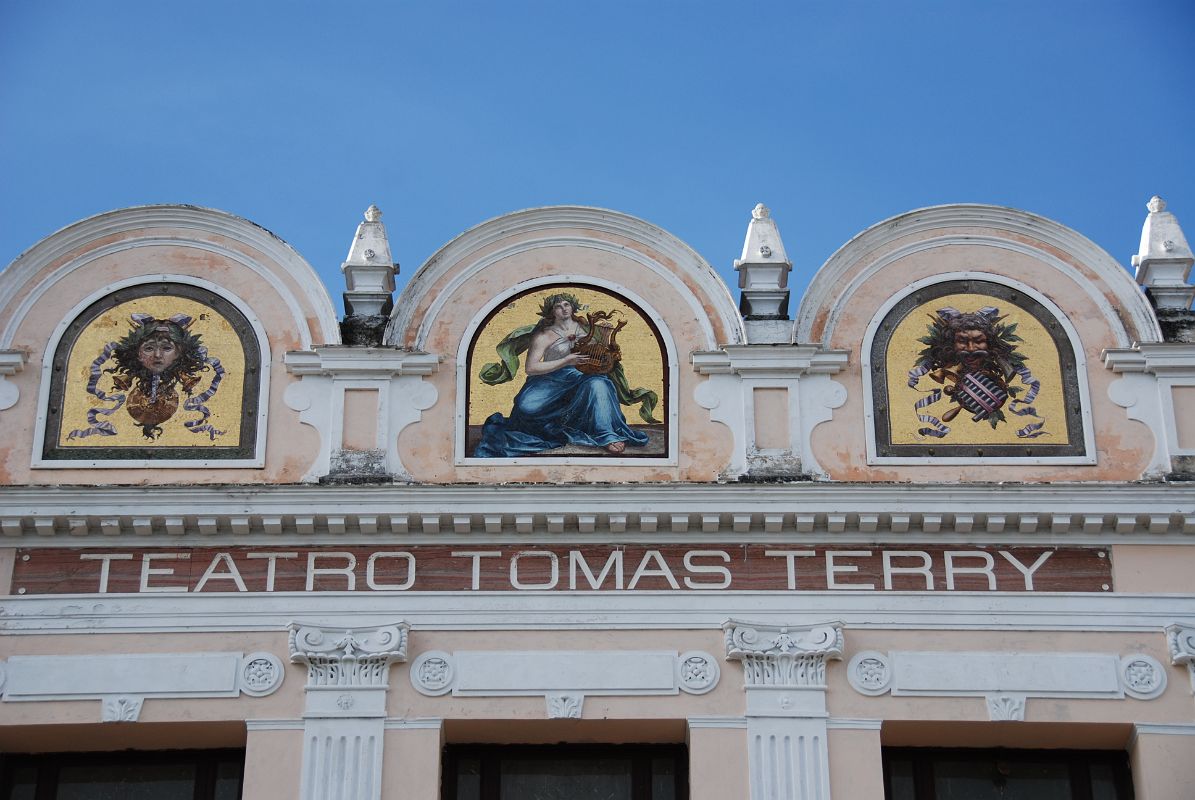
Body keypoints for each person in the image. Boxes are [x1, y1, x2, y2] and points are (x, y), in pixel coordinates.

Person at [474, 293, 655, 457]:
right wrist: (566, 361)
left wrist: (606, 336)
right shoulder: (543, 335)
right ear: (551, 311)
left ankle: (607, 434)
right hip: (551, 379)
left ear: (573, 307)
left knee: (599, 384)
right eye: (558, 306)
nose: (564, 309)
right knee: (526, 407)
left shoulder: (588, 327)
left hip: (583, 377)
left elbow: (602, 355)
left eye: (567, 304)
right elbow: (531, 368)